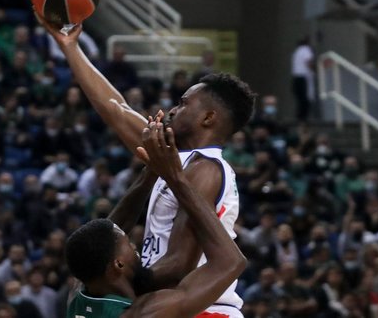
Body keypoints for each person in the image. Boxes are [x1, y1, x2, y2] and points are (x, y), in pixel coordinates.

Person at [41, 16, 256, 317]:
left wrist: (114, 280)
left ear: (208, 119)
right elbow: (116, 109)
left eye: (182, 104)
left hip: (201, 308)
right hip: (162, 303)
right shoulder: (168, 157)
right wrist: (70, 46)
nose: (171, 109)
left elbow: (179, 266)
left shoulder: (204, 169)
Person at [65, 117, 247, 317]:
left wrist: (150, 172)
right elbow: (231, 262)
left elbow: (107, 231)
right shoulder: (145, 313)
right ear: (118, 264)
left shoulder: (78, 296)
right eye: (131, 247)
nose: (137, 250)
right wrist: (175, 178)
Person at [290, 37, 314, 122]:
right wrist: (314, 70)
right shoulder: (306, 50)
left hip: (296, 77)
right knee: (305, 98)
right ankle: (303, 117)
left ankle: (299, 115)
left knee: (299, 98)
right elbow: (308, 61)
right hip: (303, 77)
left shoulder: (296, 52)